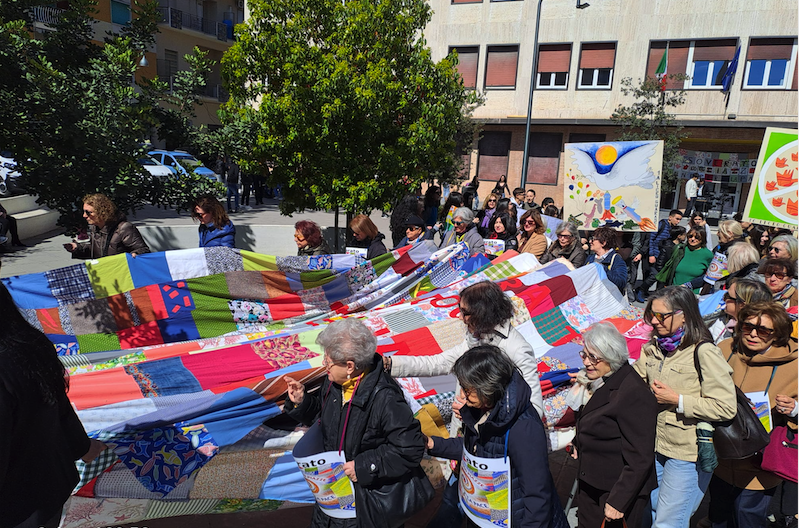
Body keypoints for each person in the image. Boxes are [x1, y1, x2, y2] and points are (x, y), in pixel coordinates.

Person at [386, 281, 543, 528]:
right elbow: (437, 363)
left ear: (483, 311)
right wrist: (390, 365)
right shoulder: (474, 337)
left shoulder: (516, 349)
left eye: (465, 312)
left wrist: (483, 415)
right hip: (469, 446)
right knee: (455, 503)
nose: (460, 317)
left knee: (459, 507)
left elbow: (532, 408)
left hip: (493, 456)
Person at [283, 318, 429, 528]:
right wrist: (302, 402)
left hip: (367, 505)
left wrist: (363, 467)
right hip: (335, 496)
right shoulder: (336, 383)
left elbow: (410, 448)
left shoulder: (386, 398)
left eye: (328, 361)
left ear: (350, 366)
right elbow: (325, 420)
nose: (325, 366)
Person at [0, 283, 107, 527]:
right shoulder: (30, 344)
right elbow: (57, 401)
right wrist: (81, 445)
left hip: (15, 507)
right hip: (46, 493)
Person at [426, 346, 569, 528]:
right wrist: (433, 443)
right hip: (491, 510)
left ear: (487, 388)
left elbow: (537, 495)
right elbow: (476, 451)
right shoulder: (480, 410)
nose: (461, 395)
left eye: (467, 389)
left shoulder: (524, 428)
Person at [633, 286, 737, 528]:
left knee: (669, 522)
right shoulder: (652, 348)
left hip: (687, 454)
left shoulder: (704, 352)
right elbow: (634, 383)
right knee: (648, 511)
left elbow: (725, 407)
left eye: (661, 316)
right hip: (655, 445)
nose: (654, 322)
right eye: (651, 315)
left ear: (685, 315)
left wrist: (677, 400)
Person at [710, 302, 798, 528]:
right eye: (748, 327)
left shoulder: (795, 364)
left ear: (777, 334)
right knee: (718, 516)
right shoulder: (725, 348)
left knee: (747, 517)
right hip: (721, 455)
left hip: (759, 464)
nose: (753, 335)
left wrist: (794, 408)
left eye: (764, 331)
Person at [571, 322, 658, 528]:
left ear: (612, 357)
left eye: (594, 357)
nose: (587, 363)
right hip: (594, 484)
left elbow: (640, 457)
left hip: (616, 493)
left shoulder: (633, 393)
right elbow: (597, 421)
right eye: (584, 355)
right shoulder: (606, 380)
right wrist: (579, 441)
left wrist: (618, 501)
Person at [64, 193, 151, 259]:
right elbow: (95, 251)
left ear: (102, 212)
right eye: (83, 211)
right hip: (106, 274)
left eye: (88, 212)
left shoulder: (124, 228)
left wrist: (136, 255)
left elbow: (143, 251)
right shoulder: (96, 228)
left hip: (123, 276)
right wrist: (77, 248)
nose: (84, 215)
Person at [709, 278, 774, 343]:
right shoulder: (722, 319)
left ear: (742, 305)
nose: (723, 298)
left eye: (727, 296)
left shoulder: (754, 336)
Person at [635, 226, 687, 302]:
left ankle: (657, 297)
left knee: (661, 285)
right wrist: (661, 270)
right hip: (662, 268)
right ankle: (641, 290)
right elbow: (661, 259)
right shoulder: (668, 246)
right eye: (684, 235)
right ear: (679, 236)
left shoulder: (681, 246)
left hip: (669, 269)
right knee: (655, 277)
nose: (685, 237)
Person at [661, 227, 714, 293]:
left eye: (697, 237)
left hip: (692, 294)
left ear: (702, 239)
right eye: (690, 236)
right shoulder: (679, 249)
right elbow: (668, 268)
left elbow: (710, 276)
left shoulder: (708, 255)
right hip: (673, 292)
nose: (693, 239)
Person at [587, 226, 628, 294]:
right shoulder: (590, 258)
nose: (590, 241)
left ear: (603, 243)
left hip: (606, 300)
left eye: (593, 239)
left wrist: (602, 269)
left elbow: (621, 282)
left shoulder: (616, 260)